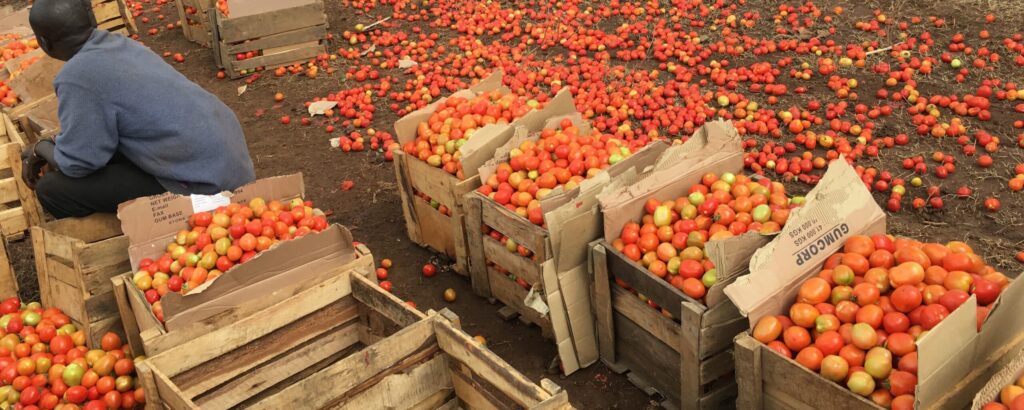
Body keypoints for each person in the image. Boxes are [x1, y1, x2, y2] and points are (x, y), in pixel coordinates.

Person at [21, 0, 255, 218]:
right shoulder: (122, 45)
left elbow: (78, 164)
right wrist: (53, 146)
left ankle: (132, 237)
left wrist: (40, 148)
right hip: (229, 165)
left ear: (44, 42)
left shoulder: (76, 77)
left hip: (205, 187)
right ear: (93, 20)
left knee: (52, 189)